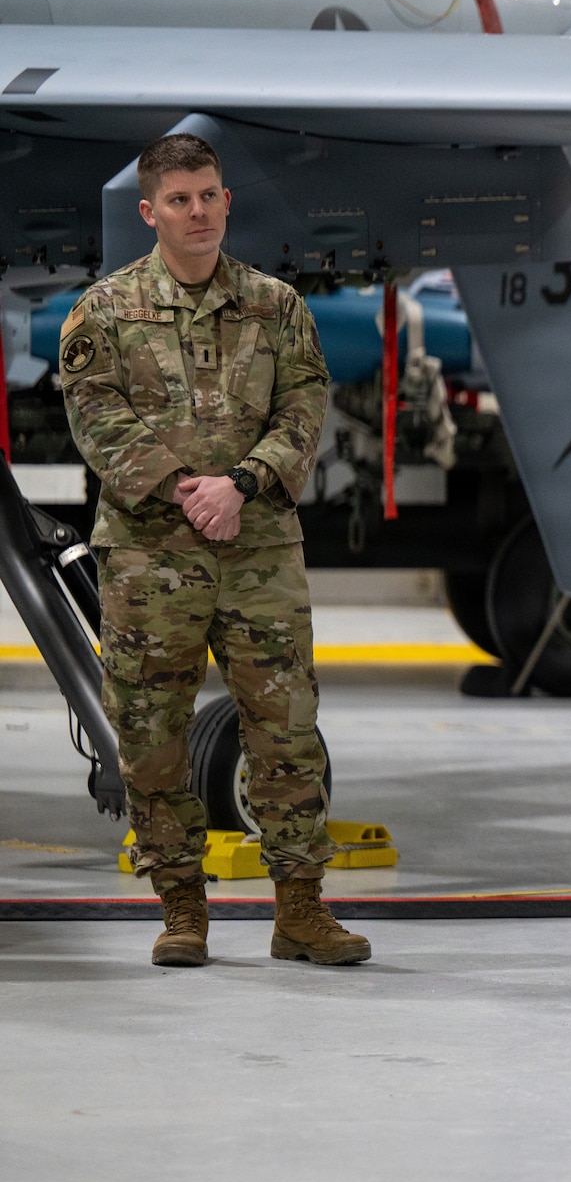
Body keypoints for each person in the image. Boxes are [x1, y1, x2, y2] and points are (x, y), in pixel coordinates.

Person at [59, 132, 366, 967]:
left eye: (210, 195)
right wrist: (184, 487)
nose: (198, 212)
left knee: (287, 728)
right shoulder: (105, 311)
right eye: (180, 199)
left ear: (228, 200)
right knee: (151, 733)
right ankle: (181, 911)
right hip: (149, 554)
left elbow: (306, 400)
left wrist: (243, 482)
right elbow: (94, 416)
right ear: (149, 211)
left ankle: (300, 910)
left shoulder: (276, 306)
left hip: (258, 543)